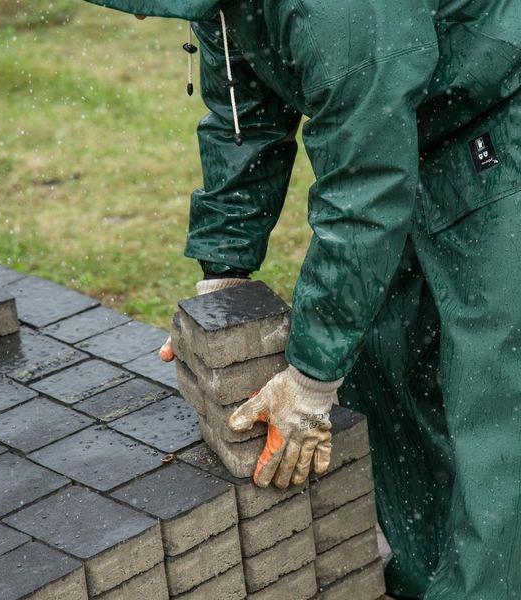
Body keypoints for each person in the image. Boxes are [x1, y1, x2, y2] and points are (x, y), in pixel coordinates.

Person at [83, 0, 521, 598]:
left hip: (499, 118)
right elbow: (244, 122)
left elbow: (364, 191)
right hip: (403, 125)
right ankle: (424, 577)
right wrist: (224, 284)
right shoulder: (227, 8)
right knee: (379, 359)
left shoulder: (343, 10)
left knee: (495, 397)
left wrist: (311, 379)